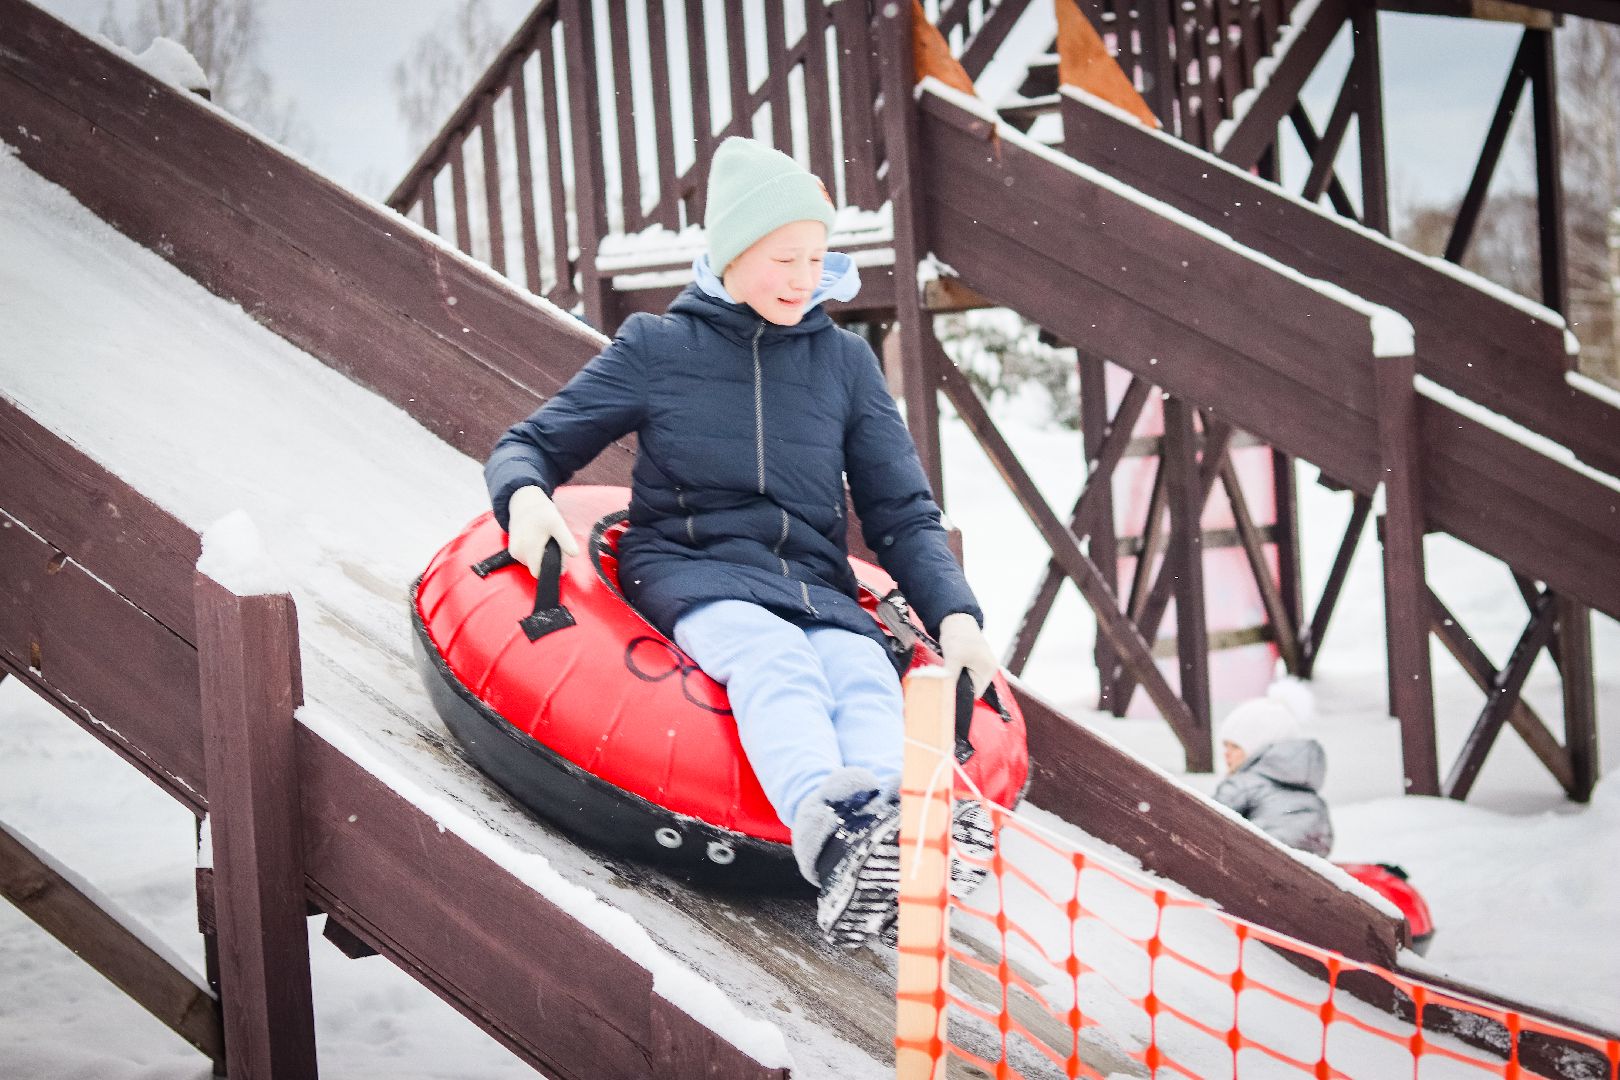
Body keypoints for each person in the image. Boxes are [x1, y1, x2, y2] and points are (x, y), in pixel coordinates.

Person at [484, 137, 998, 947]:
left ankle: (902, 838)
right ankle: (833, 831)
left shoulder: (844, 364)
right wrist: (524, 500)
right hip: (693, 569)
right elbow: (532, 443)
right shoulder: (659, 348)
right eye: (785, 257)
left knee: (863, 673)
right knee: (776, 661)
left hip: (813, 585)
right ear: (731, 253)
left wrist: (956, 616)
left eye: (818, 258)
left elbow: (901, 510)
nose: (805, 278)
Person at [1212, 698, 1333, 857]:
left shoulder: (1242, 785)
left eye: (1235, 746)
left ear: (1257, 748)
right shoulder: (1312, 800)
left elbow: (1205, 826)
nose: (1226, 754)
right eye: (1225, 746)